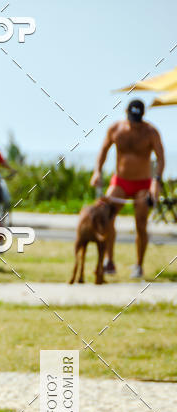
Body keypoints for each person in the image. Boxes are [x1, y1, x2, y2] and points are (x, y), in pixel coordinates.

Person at [90, 99, 165, 279]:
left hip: (143, 183)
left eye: (137, 119)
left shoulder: (151, 132)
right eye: (132, 119)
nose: (135, 124)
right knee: (106, 215)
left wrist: (156, 181)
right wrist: (97, 172)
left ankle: (138, 265)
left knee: (141, 223)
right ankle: (109, 261)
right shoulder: (116, 129)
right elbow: (103, 151)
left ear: (143, 116)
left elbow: (161, 158)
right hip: (121, 182)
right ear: (126, 113)